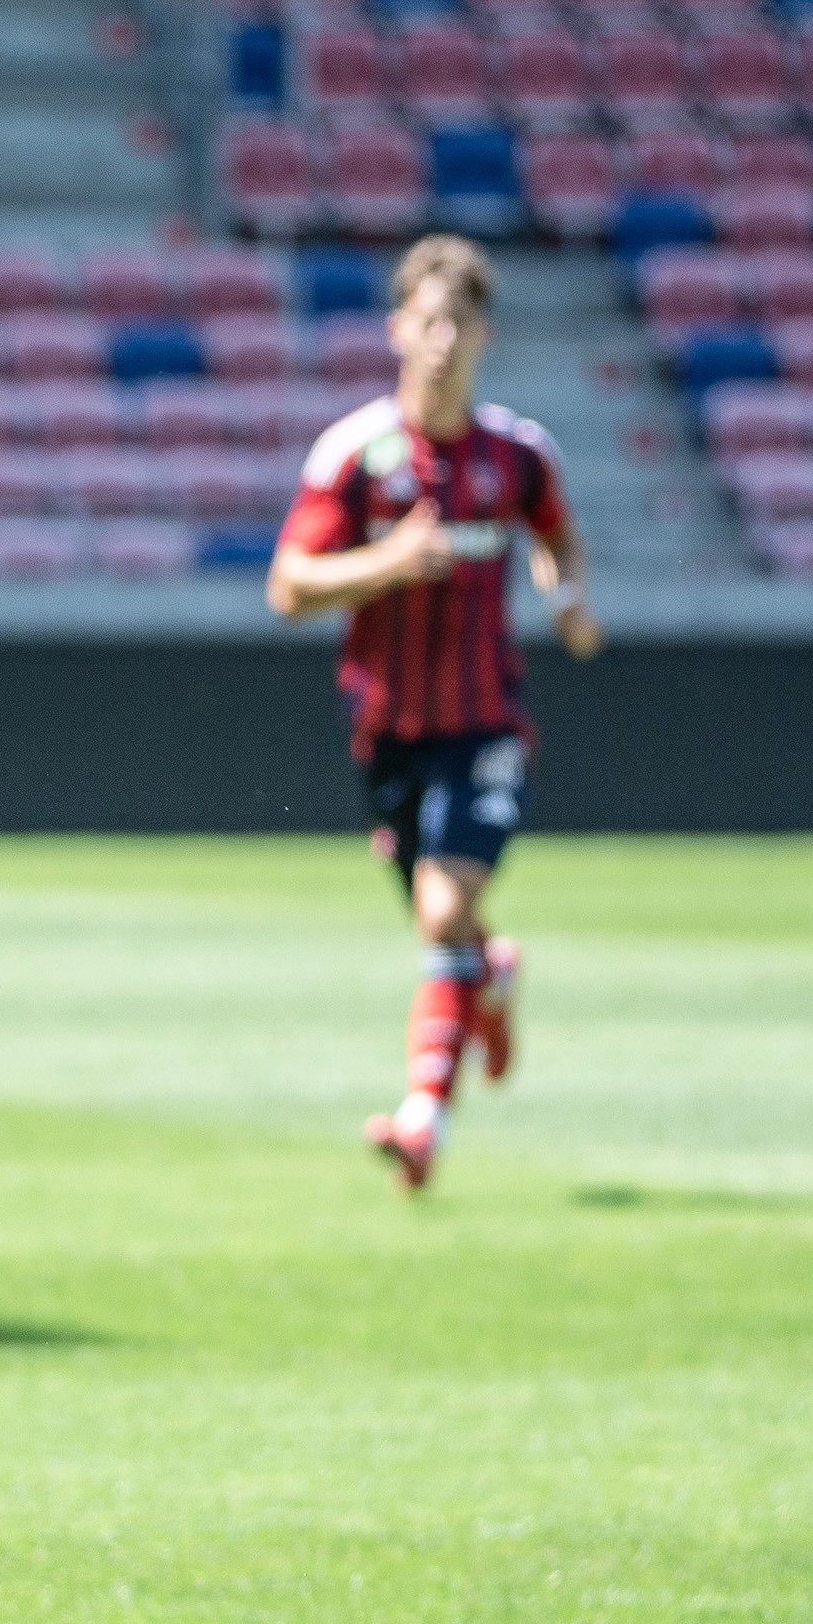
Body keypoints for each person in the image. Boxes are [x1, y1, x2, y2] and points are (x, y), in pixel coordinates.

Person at [265, 235, 604, 1193]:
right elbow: (288, 586)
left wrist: (568, 598)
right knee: (445, 926)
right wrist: (390, 561)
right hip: (387, 735)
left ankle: (423, 1124)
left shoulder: (518, 454)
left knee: (441, 910)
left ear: (484, 334)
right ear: (397, 330)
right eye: (427, 321)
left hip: (485, 723)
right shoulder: (357, 455)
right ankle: (489, 977)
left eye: (459, 322)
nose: (443, 340)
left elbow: (559, 539)